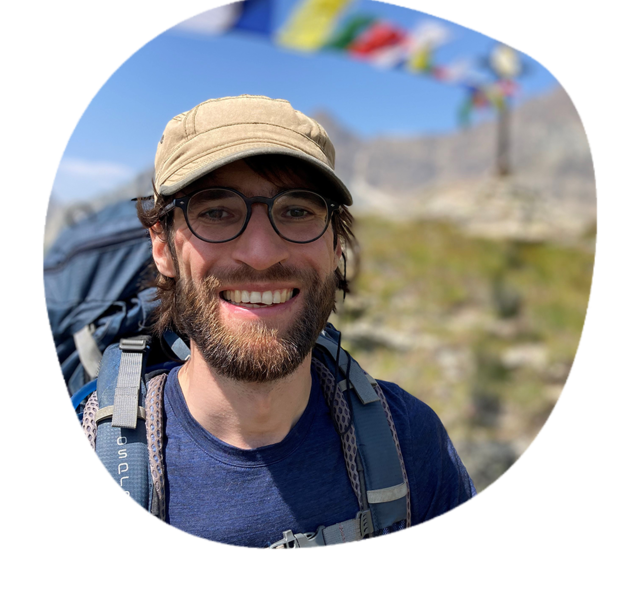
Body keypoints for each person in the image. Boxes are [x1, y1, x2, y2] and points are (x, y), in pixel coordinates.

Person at [110, 94, 477, 547]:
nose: (261, 254)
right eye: (216, 212)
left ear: (335, 246)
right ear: (162, 247)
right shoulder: (102, 451)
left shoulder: (411, 442)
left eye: (297, 211)